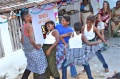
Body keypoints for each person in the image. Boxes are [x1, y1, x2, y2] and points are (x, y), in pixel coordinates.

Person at [20, 11, 47, 79]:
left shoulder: (23, 26)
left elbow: (22, 40)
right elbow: (32, 40)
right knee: (42, 67)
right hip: (32, 50)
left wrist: (28, 46)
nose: (31, 17)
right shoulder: (29, 26)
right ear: (26, 18)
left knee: (30, 66)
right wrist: (36, 47)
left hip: (26, 50)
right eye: (29, 16)